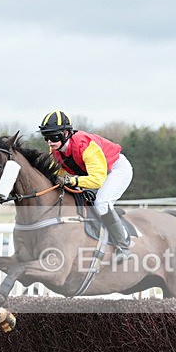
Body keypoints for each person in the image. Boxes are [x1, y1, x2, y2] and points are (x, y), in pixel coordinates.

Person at [38, 110, 133, 263]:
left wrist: (72, 181)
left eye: (53, 136)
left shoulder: (85, 145)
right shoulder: (55, 150)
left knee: (101, 203)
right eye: (46, 137)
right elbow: (58, 173)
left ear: (66, 133)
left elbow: (97, 180)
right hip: (93, 173)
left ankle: (123, 246)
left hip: (116, 170)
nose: (49, 142)